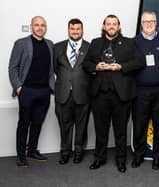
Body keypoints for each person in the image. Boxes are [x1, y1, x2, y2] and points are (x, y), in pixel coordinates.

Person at [83, 14, 145, 173]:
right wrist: (96, 67)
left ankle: (121, 160)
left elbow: (140, 62)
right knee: (100, 129)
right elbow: (86, 64)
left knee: (120, 130)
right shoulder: (95, 43)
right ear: (104, 26)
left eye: (114, 24)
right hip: (99, 94)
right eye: (108, 24)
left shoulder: (129, 43)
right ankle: (99, 158)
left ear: (119, 26)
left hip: (121, 95)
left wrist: (121, 67)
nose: (111, 26)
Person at [8, 16, 55, 167]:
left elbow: (51, 68)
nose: (40, 28)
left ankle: (32, 150)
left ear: (45, 27)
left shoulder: (50, 44)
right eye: (37, 25)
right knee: (24, 124)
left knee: (37, 123)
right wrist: (18, 87)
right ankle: (21, 155)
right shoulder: (21, 43)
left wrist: (50, 87)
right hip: (27, 91)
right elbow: (13, 67)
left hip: (44, 92)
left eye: (42, 25)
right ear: (31, 27)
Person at [131, 11, 159, 170]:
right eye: (145, 21)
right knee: (139, 124)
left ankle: (157, 157)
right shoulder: (134, 42)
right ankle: (138, 156)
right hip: (140, 90)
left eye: (152, 21)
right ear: (141, 24)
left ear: (156, 23)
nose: (149, 24)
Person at [54, 18, 90, 165]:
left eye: (78, 29)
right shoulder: (57, 47)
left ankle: (79, 152)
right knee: (64, 125)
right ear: (68, 30)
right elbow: (55, 69)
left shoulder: (90, 47)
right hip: (63, 94)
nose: (75, 31)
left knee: (81, 126)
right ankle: (65, 152)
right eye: (72, 28)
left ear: (82, 30)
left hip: (82, 94)